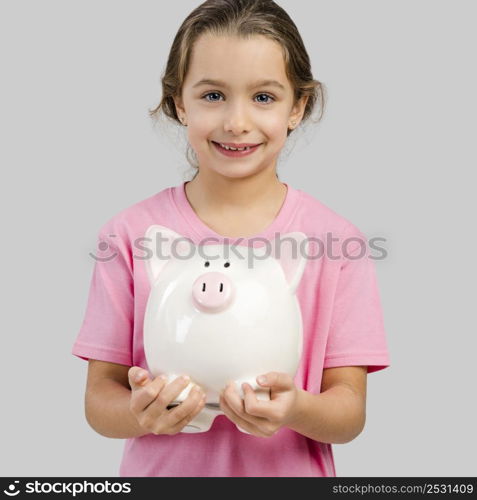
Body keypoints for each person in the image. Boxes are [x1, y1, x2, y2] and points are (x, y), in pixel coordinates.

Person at [72, 0, 391, 477]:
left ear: (297, 106)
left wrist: (296, 409)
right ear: (180, 101)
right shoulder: (129, 236)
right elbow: (100, 402)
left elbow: (349, 415)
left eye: (263, 97)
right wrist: (141, 412)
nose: (236, 122)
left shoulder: (335, 242)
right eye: (212, 95)